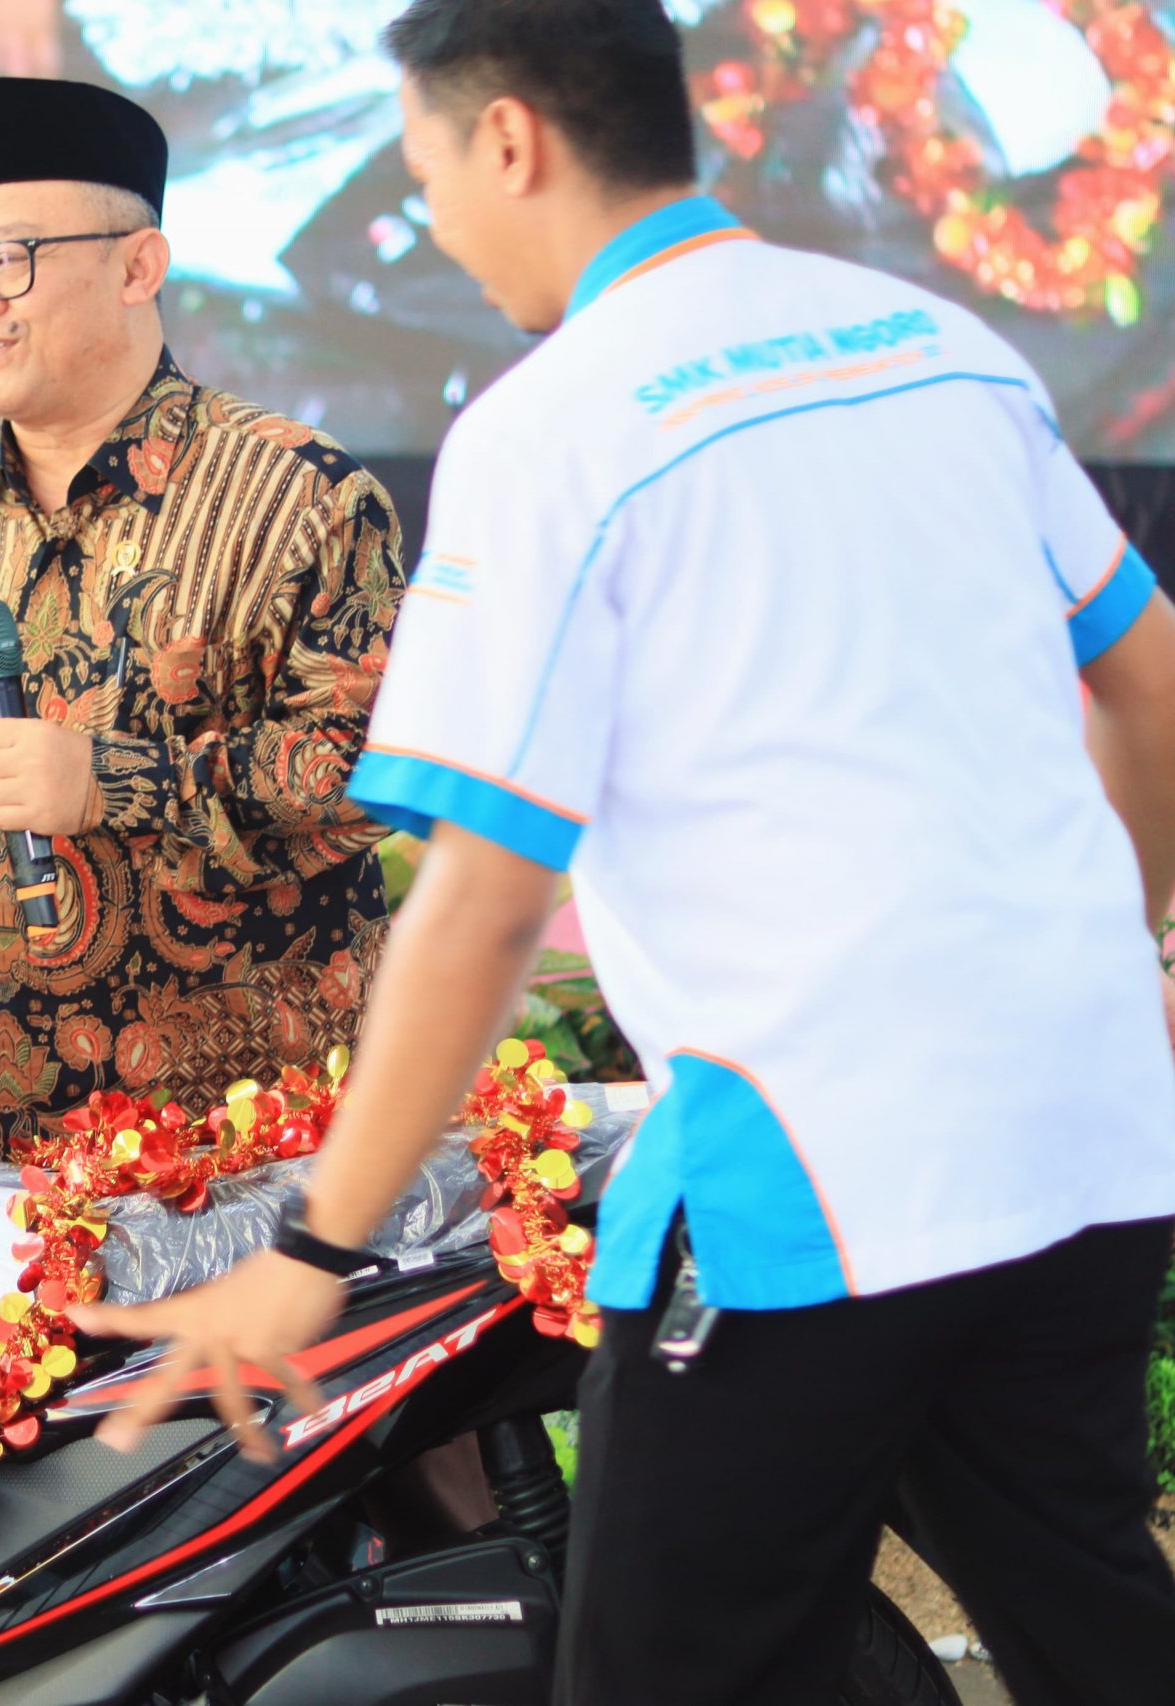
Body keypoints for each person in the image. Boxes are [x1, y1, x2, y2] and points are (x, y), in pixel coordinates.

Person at [74, 5, 1175, 1704]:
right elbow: (1152, 677)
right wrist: (1127, 948)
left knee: (665, 1669)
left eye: (429, 163)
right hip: (1086, 1132)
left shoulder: (555, 426)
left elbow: (486, 896)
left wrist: (309, 1256)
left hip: (819, 1181)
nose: (432, 213)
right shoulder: (940, 341)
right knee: (1093, 1622)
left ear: (510, 141)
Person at [0, 76, 408, 1160]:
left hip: (251, 1148)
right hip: (9, 1145)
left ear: (139, 265)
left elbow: (362, 779)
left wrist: (108, 782)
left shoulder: (302, 496)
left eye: (10, 262)